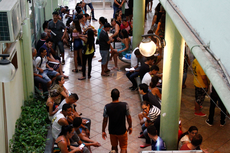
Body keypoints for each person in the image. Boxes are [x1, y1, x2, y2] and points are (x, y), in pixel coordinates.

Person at [102, 88, 132, 153]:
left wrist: (103, 131)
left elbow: (105, 120)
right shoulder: (125, 105)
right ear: (119, 95)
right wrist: (130, 126)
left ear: (111, 96)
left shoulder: (107, 107)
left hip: (112, 131)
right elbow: (128, 117)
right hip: (122, 130)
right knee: (123, 147)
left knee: (114, 147)